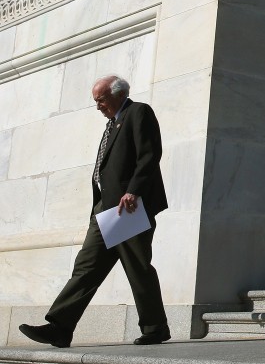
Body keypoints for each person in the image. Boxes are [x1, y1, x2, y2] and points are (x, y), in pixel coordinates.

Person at [19, 75, 171, 348]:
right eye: (96, 101)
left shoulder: (138, 112)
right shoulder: (112, 124)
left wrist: (134, 190)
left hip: (128, 207)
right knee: (86, 267)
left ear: (119, 94)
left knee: (137, 267)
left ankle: (155, 327)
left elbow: (149, 154)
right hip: (106, 208)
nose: (98, 106)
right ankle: (60, 327)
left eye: (101, 99)